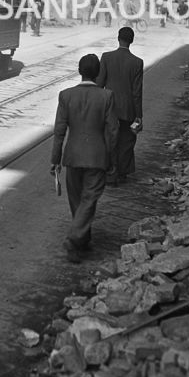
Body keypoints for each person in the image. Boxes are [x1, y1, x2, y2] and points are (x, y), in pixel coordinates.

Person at [50, 54, 118, 263]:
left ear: (80, 71)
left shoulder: (66, 95)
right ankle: (74, 239)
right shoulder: (106, 97)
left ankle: (82, 239)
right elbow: (113, 131)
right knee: (89, 200)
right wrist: (111, 158)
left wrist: (55, 159)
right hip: (97, 157)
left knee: (77, 200)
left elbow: (59, 131)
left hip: (73, 156)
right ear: (97, 73)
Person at [95, 26, 144, 185]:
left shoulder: (107, 57)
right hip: (128, 110)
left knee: (109, 140)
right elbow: (137, 92)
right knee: (126, 141)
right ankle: (122, 173)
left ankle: (110, 172)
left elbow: (99, 84)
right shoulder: (137, 62)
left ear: (118, 38)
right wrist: (139, 116)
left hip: (109, 109)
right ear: (132, 41)